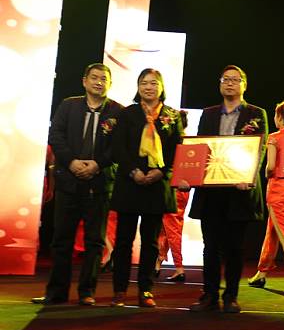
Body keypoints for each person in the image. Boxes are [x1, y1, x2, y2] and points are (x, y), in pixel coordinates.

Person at [33, 63, 123, 306]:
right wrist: (71, 162)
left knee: (95, 241)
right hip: (68, 182)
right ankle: (56, 292)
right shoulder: (68, 105)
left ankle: (87, 292)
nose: (99, 82)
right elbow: (56, 136)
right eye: (94, 77)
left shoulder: (117, 111)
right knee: (61, 240)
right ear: (84, 81)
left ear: (110, 83)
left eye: (104, 79)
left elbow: (118, 146)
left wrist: (98, 164)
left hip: (99, 182)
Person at [186, 65, 269, 314]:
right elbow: (200, 148)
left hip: (240, 190)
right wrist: (191, 175)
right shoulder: (209, 114)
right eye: (226, 79)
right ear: (220, 84)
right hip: (211, 191)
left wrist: (248, 177)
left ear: (244, 85)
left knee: (235, 247)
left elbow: (260, 148)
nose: (230, 83)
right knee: (210, 246)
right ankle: (209, 295)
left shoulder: (256, 113)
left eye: (235, 79)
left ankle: (231, 296)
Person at [109, 68, 181, 308]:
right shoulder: (127, 113)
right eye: (144, 83)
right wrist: (134, 171)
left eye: (153, 83)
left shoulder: (172, 116)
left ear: (161, 87)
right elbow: (118, 147)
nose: (148, 87)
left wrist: (162, 172)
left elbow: (177, 150)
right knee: (123, 241)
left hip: (156, 186)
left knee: (151, 242)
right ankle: (119, 290)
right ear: (138, 87)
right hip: (129, 183)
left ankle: (146, 290)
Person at [247, 100, 284, 293]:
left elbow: (270, 166)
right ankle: (261, 273)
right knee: (273, 232)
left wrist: (266, 173)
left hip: (278, 191)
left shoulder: (275, 137)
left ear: (279, 117)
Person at [157, 109, 190, 283]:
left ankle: (179, 267)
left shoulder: (176, 142)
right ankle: (158, 262)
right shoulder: (188, 142)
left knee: (172, 228)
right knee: (166, 228)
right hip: (183, 189)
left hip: (173, 188)